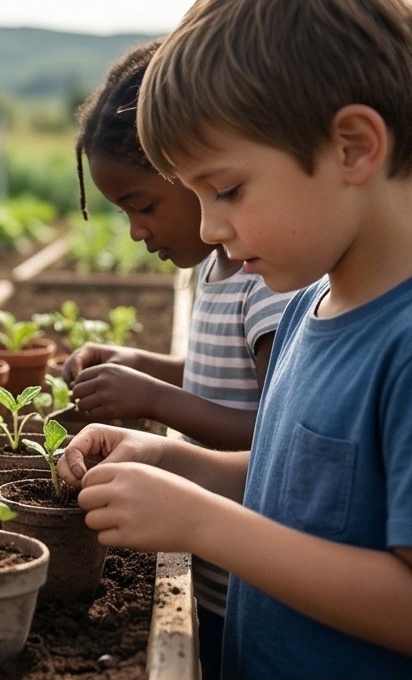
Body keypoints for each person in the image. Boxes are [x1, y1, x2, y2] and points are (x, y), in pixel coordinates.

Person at [58, 0, 412, 677]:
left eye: (226, 189)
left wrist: (202, 524)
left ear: (354, 146)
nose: (211, 228)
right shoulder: (310, 303)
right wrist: (169, 462)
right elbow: (301, 483)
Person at [66, 38, 295, 678]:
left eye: (143, 205)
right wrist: (139, 364)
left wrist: (155, 399)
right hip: (215, 562)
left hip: (250, 568)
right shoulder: (217, 268)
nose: (137, 230)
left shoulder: (266, 285)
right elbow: (216, 378)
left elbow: (271, 430)